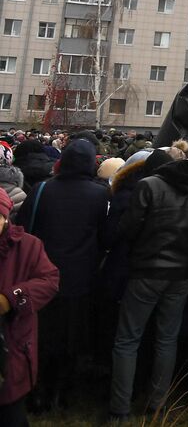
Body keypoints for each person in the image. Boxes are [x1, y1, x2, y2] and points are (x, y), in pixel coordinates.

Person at [109, 150, 188, 421]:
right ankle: (158, 402)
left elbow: (128, 228)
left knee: (128, 339)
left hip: (146, 271)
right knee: (167, 339)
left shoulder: (148, 186)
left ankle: (120, 408)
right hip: (181, 273)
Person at [12, 138, 109, 413]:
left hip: (41, 275)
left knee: (40, 335)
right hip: (79, 277)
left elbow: (24, 228)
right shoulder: (99, 194)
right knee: (71, 338)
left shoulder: (42, 189)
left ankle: (37, 390)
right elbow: (104, 236)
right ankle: (61, 393)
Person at [0, 187, 59, 424]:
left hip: (12, 342)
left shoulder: (28, 245)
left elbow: (49, 281)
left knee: (10, 410)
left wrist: (11, 298)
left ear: (6, 217)